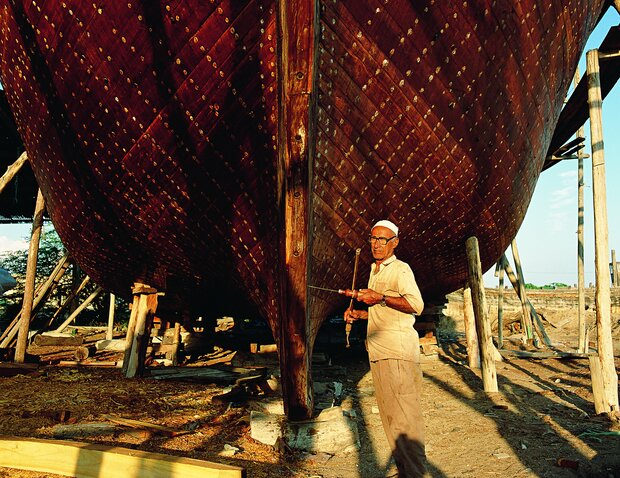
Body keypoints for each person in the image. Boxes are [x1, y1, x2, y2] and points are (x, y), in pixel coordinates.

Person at [345, 219, 425, 477]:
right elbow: (386, 312)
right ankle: (404, 471)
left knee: (405, 420)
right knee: (390, 420)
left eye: (383, 240)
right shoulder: (374, 270)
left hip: (398, 353)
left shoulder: (401, 269)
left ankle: (414, 473)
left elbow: (415, 305)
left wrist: (378, 297)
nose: (377, 244)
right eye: (373, 238)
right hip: (379, 352)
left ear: (395, 243)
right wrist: (361, 314)